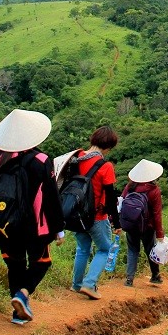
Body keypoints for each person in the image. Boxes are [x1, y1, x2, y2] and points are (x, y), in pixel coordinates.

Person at [0, 109, 65, 326]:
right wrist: (58, 227)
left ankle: (17, 313)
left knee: (15, 265)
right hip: (34, 226)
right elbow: (51, 196)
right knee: (42, 261)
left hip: (4, 224)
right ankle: (23, 294)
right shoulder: (40, 160)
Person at [70, 125, 120, 300]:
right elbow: (111, 197)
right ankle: (89, 284)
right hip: (96, 216)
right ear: (108, 146)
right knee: (105, 249)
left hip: (76, 213)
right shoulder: (105, 166)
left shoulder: (76, 158)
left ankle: (76, 284)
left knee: (82, 249)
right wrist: (117, 223)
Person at [120, 159, 166, 287]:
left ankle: (129, 279)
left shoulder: (130, 186)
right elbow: (157, 213)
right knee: (150, 249)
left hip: (130, 224)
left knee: (132, 250)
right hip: (147, 226)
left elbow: (122, 202)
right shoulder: (153, 190)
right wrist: (160, 233)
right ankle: (155, 275)